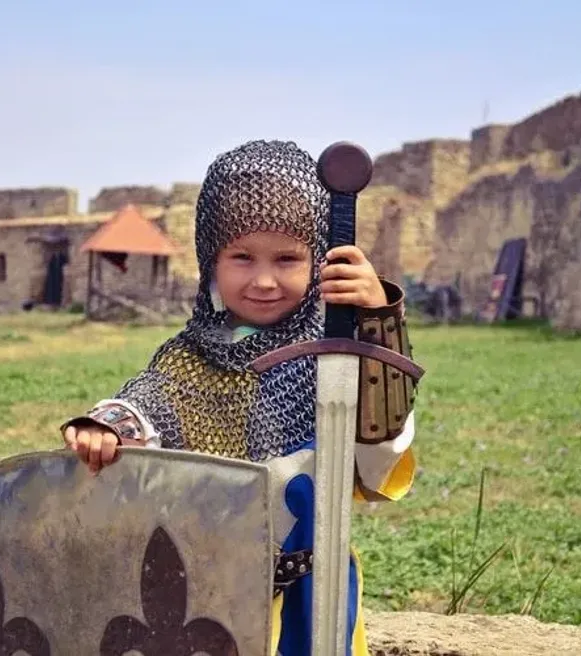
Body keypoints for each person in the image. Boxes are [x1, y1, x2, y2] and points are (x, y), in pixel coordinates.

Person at [60, 140, 417, 655]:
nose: (265, 280)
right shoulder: (191, 357)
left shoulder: (343, 359)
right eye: (242, 257)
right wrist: (109, 427)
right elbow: (152, 401)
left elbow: (379, 462)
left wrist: (380, 325)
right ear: (212, 262)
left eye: (288, 259)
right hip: (206, 589)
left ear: (320, 262)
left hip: (312, 593)